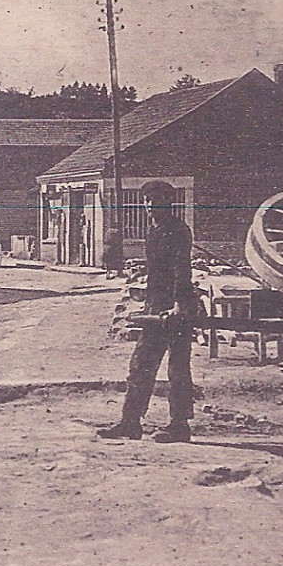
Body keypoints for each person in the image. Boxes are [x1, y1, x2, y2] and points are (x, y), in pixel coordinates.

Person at [99, 181, 197, 443]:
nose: (152, 205)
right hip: (156, 304)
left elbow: (181, 270)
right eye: (147, 201)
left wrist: (179, 304)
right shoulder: (154, 231)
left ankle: (179, 425)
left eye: (158, 200)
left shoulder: (177, 230)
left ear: (170, 202)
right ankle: (130, 423)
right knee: (141, 365)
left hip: (178, 307)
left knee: (177, 368)